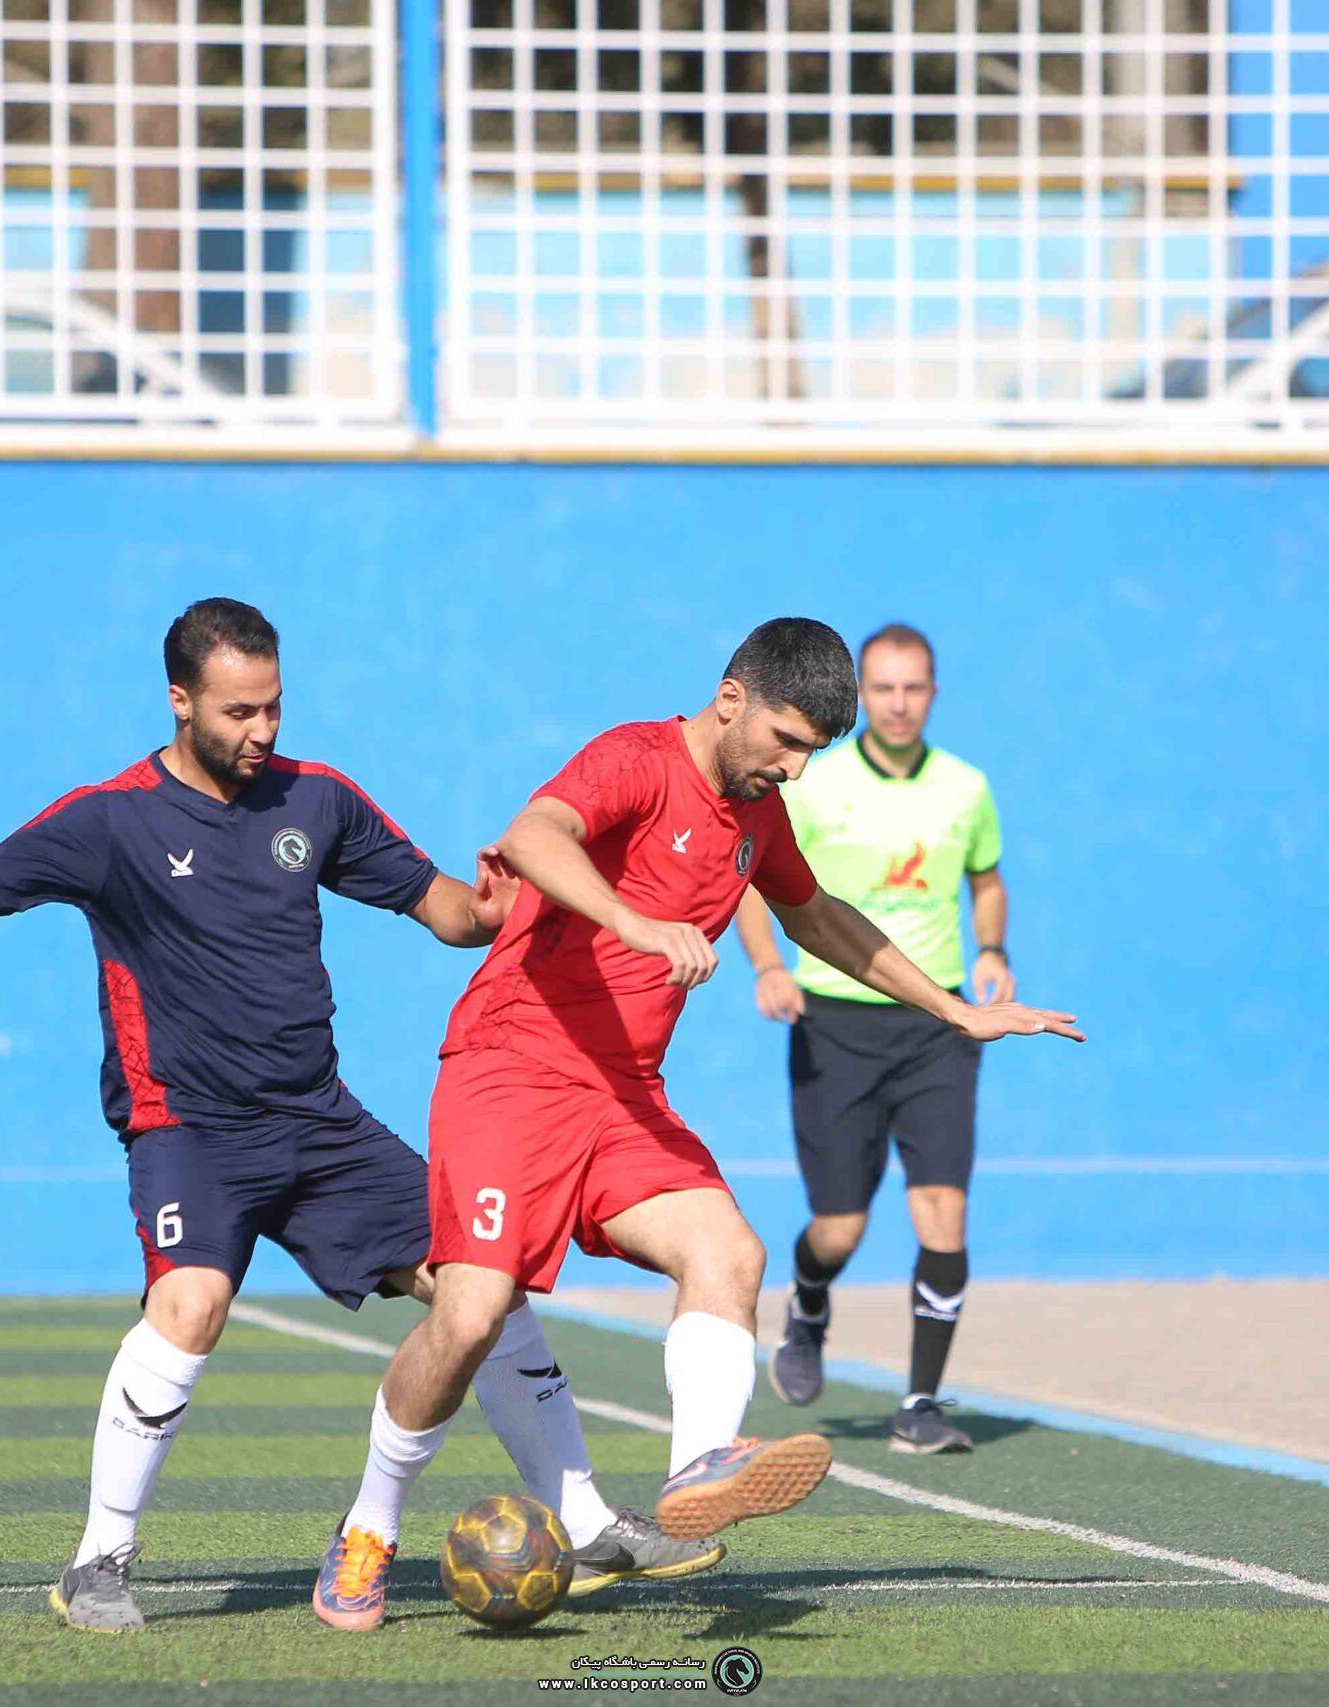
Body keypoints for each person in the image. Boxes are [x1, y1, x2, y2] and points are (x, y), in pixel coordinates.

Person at [0, 597, 715, 1635]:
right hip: (190, 1130)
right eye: (239, 711)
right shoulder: (108, 821)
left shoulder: (316, 799)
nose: (262, 730)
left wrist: (505, 902)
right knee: (191, 1303)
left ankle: (585, 1519)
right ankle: (98, 1562)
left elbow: (450, 913)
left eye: (274, 707)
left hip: (321, 1124)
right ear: (180, 700)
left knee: (485, 1286)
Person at [318, 618, 1085, 1631]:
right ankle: (368, 1528)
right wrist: (633, 921)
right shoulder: (634, 758)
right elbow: (532, 836)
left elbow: (817, 917)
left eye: (813, 751)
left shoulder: (759, 814)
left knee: (729, 1252)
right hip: (510, 1068)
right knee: (468, 1316)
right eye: (786, 739)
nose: (795, 767)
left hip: (622, 1093)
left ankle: (697, 1472)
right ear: (731, 699)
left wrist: (951, 1008)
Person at [728, 622, 1007, 1455]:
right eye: (882, 687)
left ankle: (920, 1404)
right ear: (862, 695)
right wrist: (768, 966)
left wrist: (992, 949)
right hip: (833, 1023)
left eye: (913, 687)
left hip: (937, 1024)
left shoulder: (966, 787)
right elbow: (755, 880)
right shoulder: (811, 781)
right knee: (840, 1226)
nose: (898, 703)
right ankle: (810, 1297)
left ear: (933, 693)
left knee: (943, 1213)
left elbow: (986, 880)